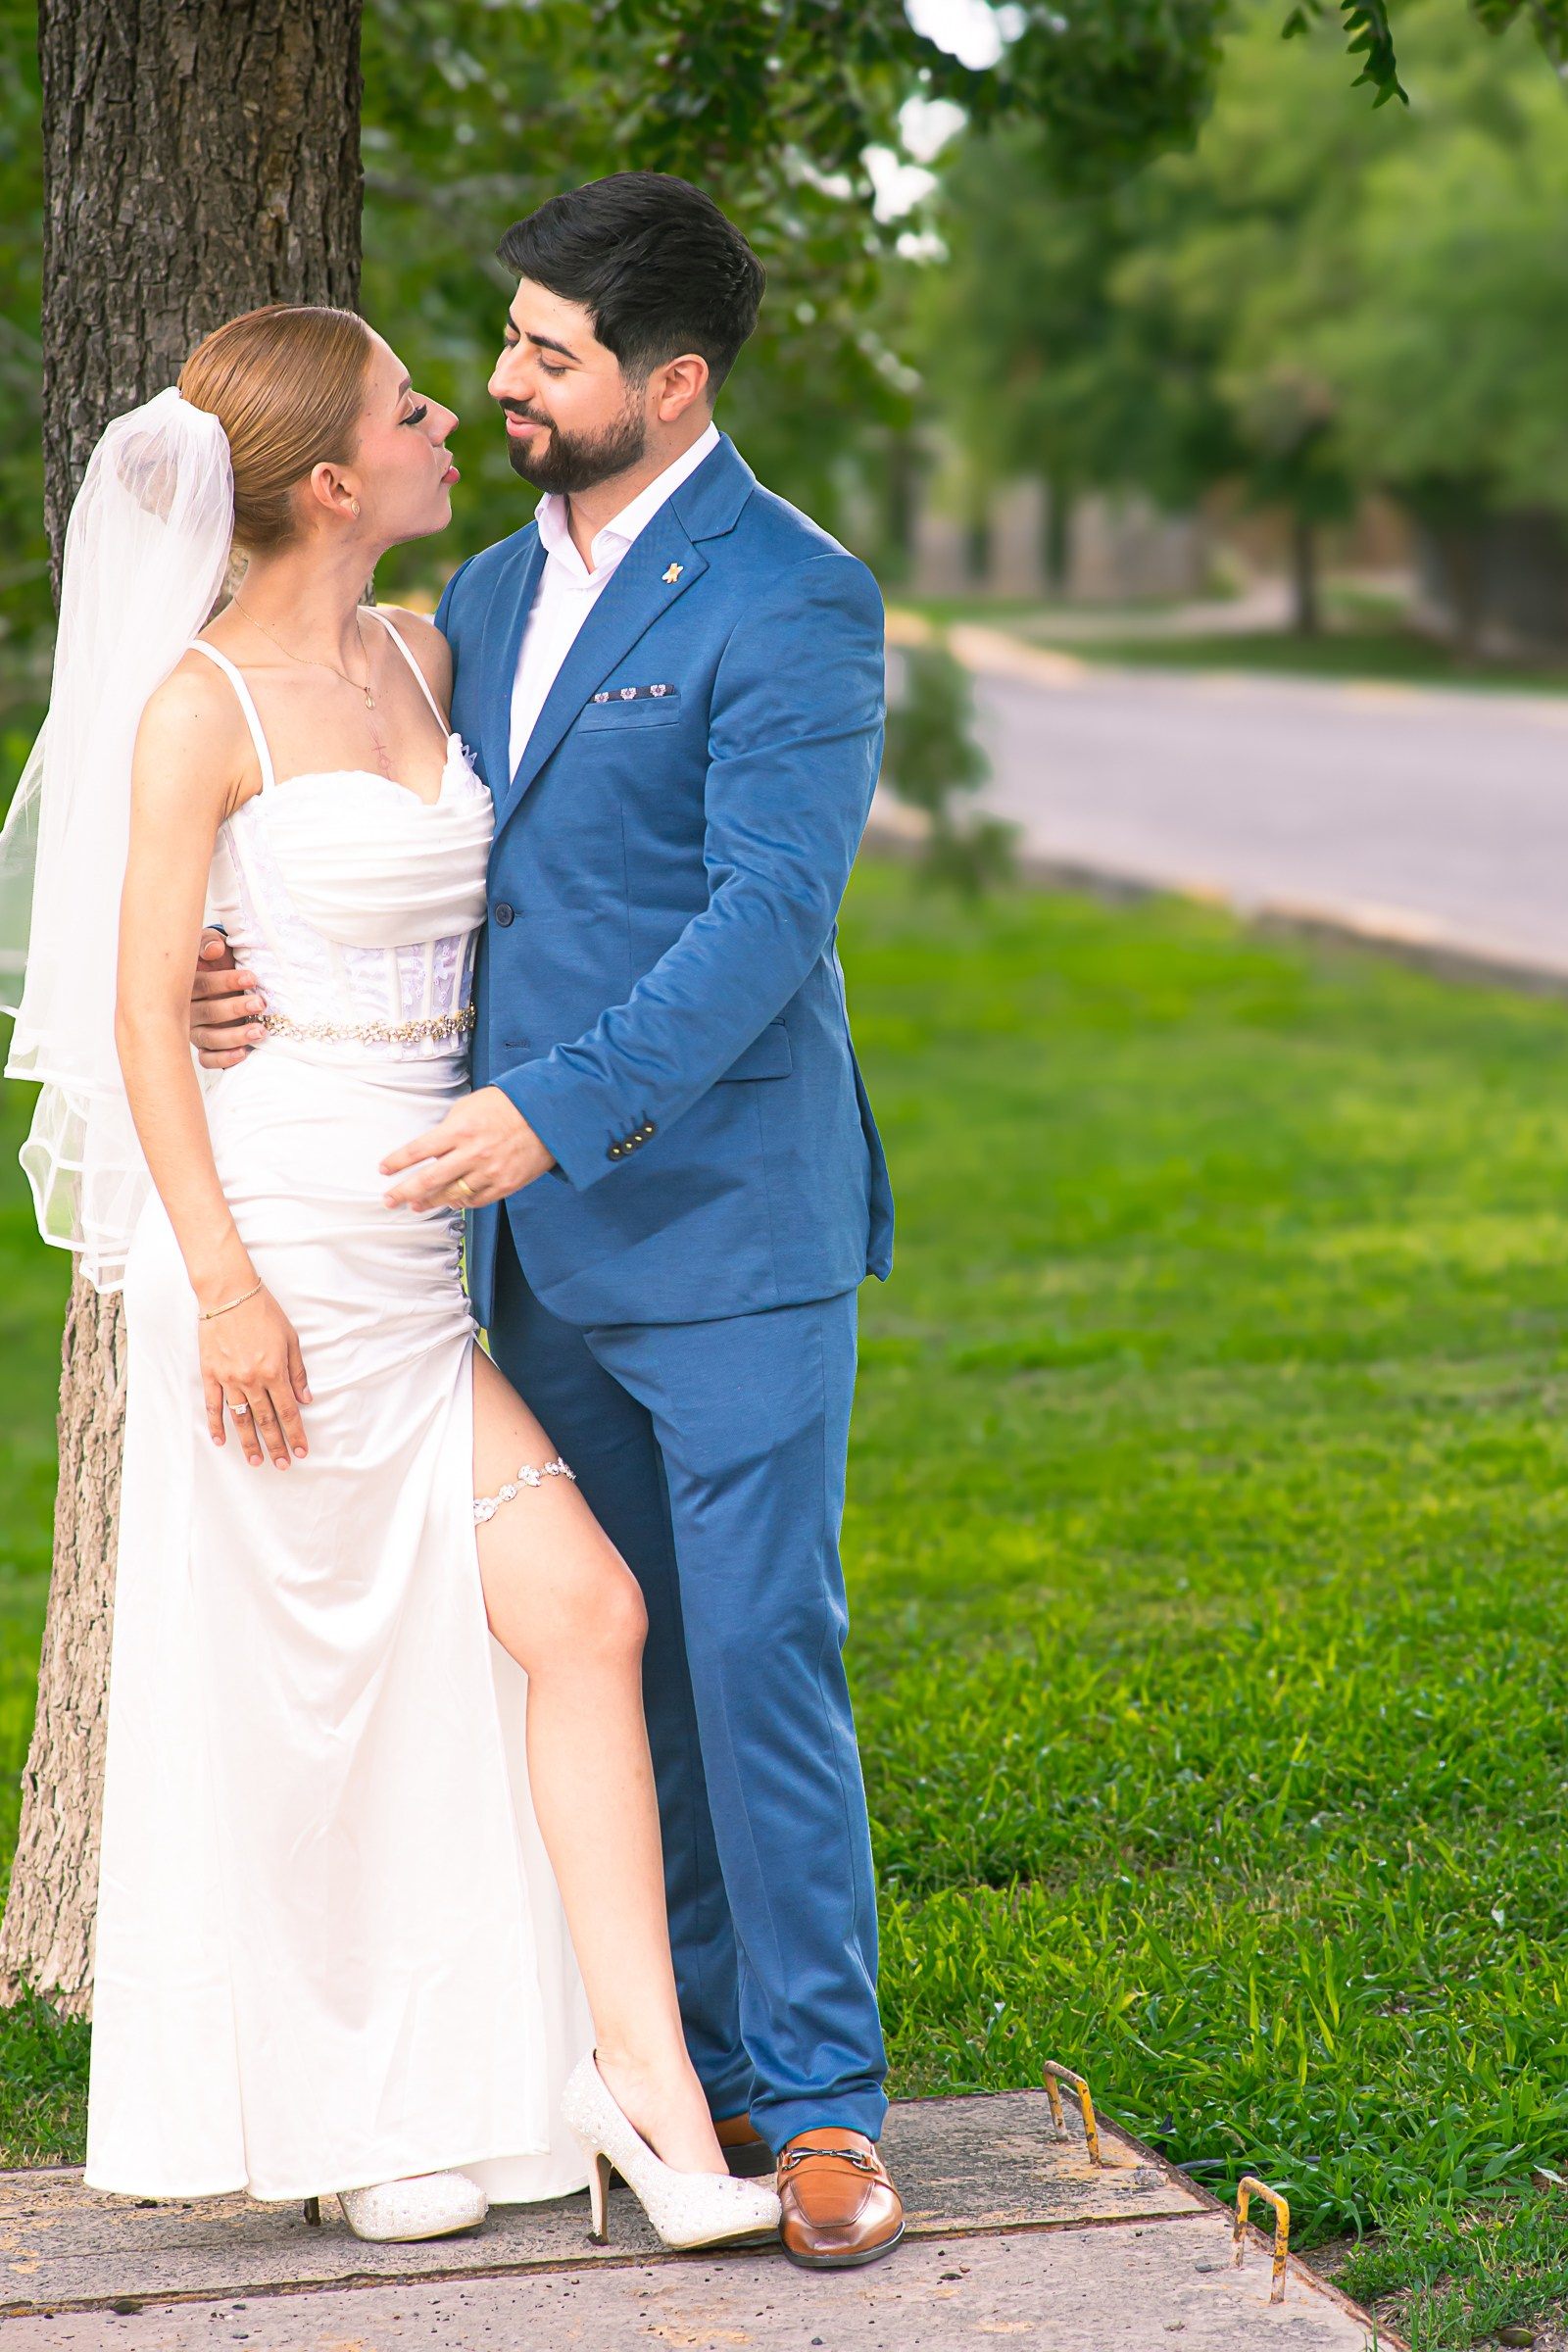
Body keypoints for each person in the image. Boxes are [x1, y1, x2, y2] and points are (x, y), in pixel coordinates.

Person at [0, 303, 780, 2256]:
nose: (459, 422)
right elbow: (129, 1007)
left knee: (576, 1613)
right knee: (299, 1690)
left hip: (420, 1258)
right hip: (266, 1254)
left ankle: (645, 2097)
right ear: (335, 479)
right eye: (416, 408)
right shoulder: (196, 708)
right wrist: (224, 1284)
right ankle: (341, 2117)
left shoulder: (431, 652)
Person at [196, 171, 905, 2271]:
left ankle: (827, 2107)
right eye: (501, 344)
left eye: (544, 355)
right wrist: (209, 961)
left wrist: (551, 1111)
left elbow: (766, 918)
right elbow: (261, 751)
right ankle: (658, 2062)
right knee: (607, 1656)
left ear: (667, 384)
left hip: (730, 1223)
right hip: (513, 1255)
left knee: (759, 1650)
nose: (500, 381)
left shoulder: (797, 599)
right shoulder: (484, 602)